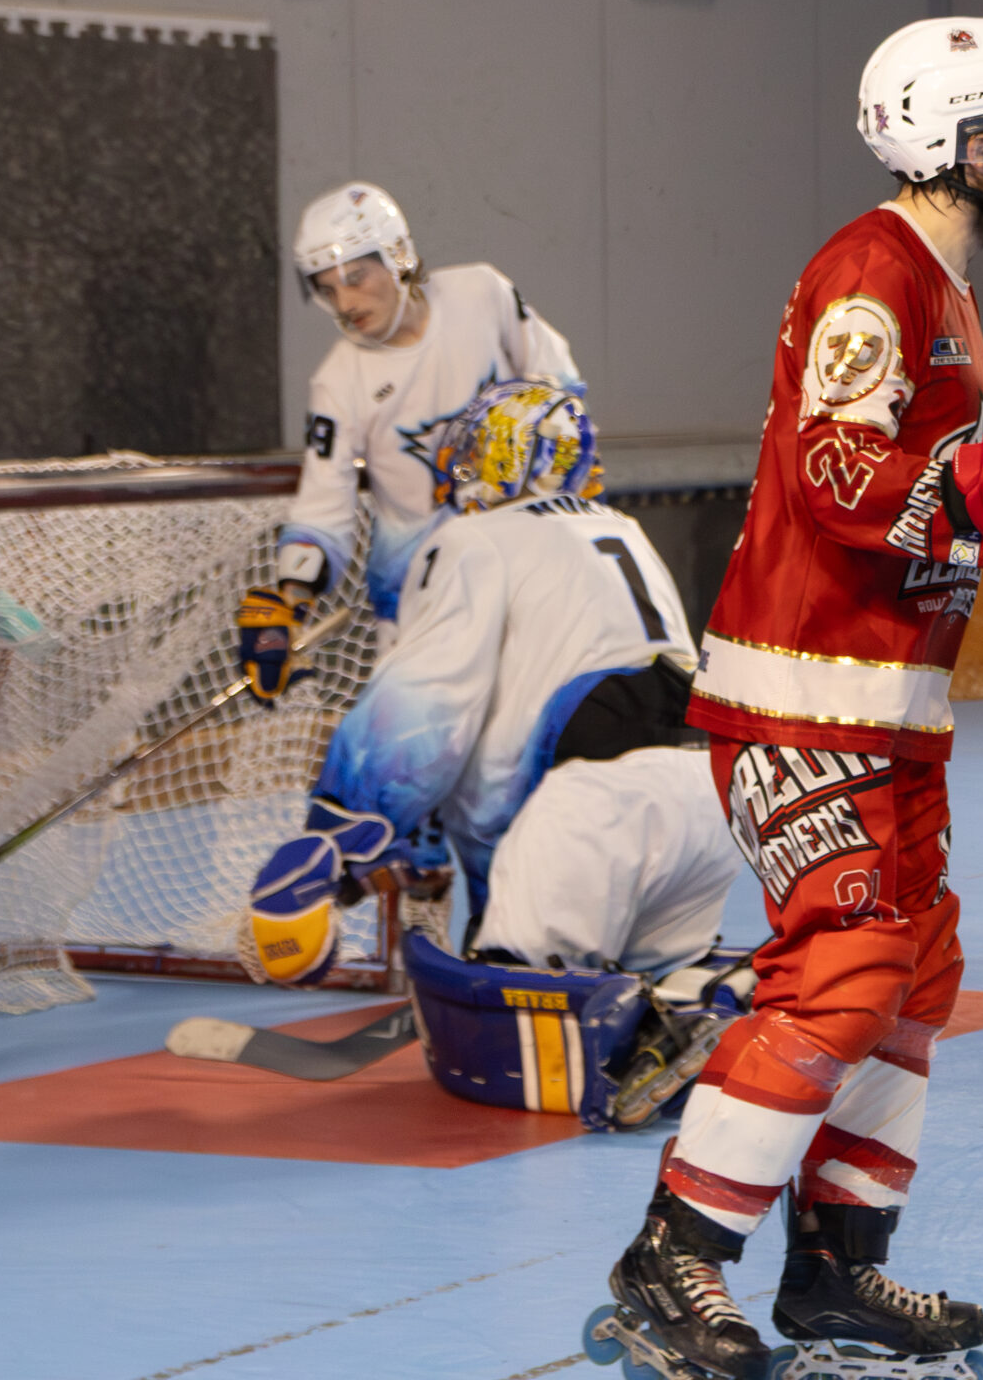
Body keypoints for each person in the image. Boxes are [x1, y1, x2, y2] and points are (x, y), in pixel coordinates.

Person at [593, 16, 983, 1380]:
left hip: (889, 708)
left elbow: (964, 456)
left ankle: (836, 1263)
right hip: (802, 695)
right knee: (849, 958)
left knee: (916, 975)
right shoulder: (872, 274)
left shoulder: (939, 285)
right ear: (966, 141)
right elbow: (837, 474)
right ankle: (675, 1252)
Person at [244, 379, 747, 1129]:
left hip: (591, 811)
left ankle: (638, 1021)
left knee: (510, 1034)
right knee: (656, 976)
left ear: (500, 458)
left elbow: (424, 708)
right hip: (711, 799)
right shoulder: (623, 530)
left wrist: (340, 834)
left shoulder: (473, 542)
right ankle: (708, 993)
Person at [236, 182, 581, 699]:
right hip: (421, 608)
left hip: (528, 581)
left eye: (355, 278)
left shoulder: (482, 294)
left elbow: (558, 386)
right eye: (328, 289)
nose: (344, 302)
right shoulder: (338, 380)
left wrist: (553, 453)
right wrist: (289, 602)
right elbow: (323, 506)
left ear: (398, 255)